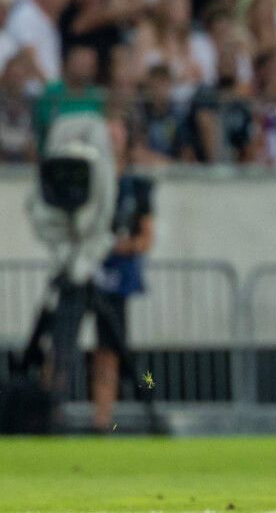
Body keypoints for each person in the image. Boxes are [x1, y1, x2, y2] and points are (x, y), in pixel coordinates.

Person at [92, 111, 154, 432]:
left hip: (116, 278)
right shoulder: (89, 182)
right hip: (86, 270)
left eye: (117, 135)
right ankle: (50, 412)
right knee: (67, 346)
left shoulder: (136, 186)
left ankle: (108, 418)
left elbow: (145, 237)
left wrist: (120, 246)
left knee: (113, 349)